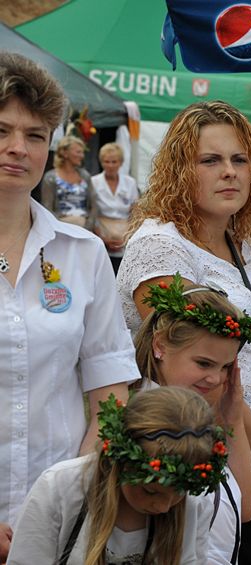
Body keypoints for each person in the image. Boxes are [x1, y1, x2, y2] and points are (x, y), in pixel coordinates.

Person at [116, 100, 251, 565]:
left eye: (239, 159)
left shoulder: (248, 244)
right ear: (182, 169)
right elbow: (197, 371)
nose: (229, 172)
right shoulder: (158, 247)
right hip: (199, 460)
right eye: (211, 160)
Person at [0, 52, 138, 560]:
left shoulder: (83, 254)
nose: (18, 148)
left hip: (59, 517)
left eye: (35, 135)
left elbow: (110, 390)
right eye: (2, 130)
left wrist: (73, 496)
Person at [8, 387, 225, 564]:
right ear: (119, 462)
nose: (164, 507)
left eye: (178, 492)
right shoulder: (59, 487)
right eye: (150, 490)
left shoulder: (194, 504)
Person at [134, 275, 251, 564]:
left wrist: (233, 419)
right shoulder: (143, 425)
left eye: (226, 367)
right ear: (160, 346)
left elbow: (246, 508)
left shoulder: (203, 420)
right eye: (203, 363)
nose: (216, 378)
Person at [91, 142, 140, 273]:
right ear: (101, 162)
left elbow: (135, 211)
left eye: (114, 162)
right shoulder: (94, 182)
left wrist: (127, 236)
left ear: (121, 162)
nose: (110, 166)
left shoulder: (130, 182)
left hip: (125, 233)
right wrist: (103, 238)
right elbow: (92, 213)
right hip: (101, 231)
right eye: (107, 162)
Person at [40, 134, 97, 230]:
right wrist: (61, 227)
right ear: (65, 153)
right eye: (78, 152)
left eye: (82, 152)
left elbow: (94, 205)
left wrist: (88, 227)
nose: (82, 156)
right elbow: (47, 208)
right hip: (60, 225)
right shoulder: (51, 177)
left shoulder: (85, 175)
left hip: (84, 225)